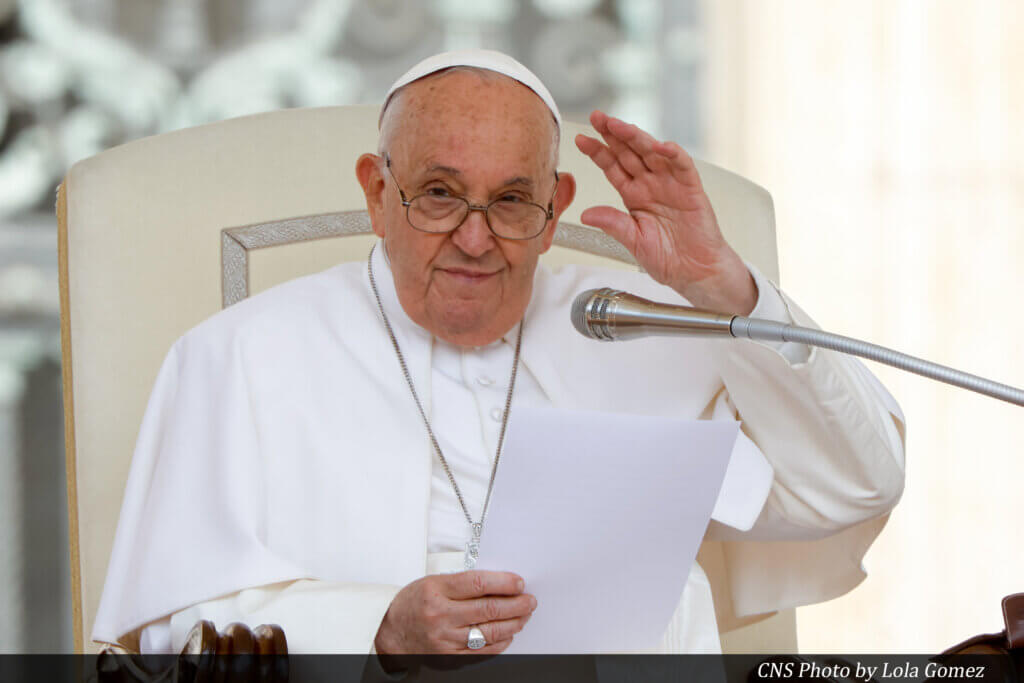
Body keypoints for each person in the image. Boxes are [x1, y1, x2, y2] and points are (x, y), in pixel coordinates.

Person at [92, 50, 905, 655]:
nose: (475, 240)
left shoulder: (645, 330)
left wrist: (725, 289)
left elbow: (855, 487)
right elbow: (175, 637)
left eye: (513, 200)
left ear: (556, 211)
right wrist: (378, 627)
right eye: (439, 193)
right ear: (378, 192)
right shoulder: (238, 356)